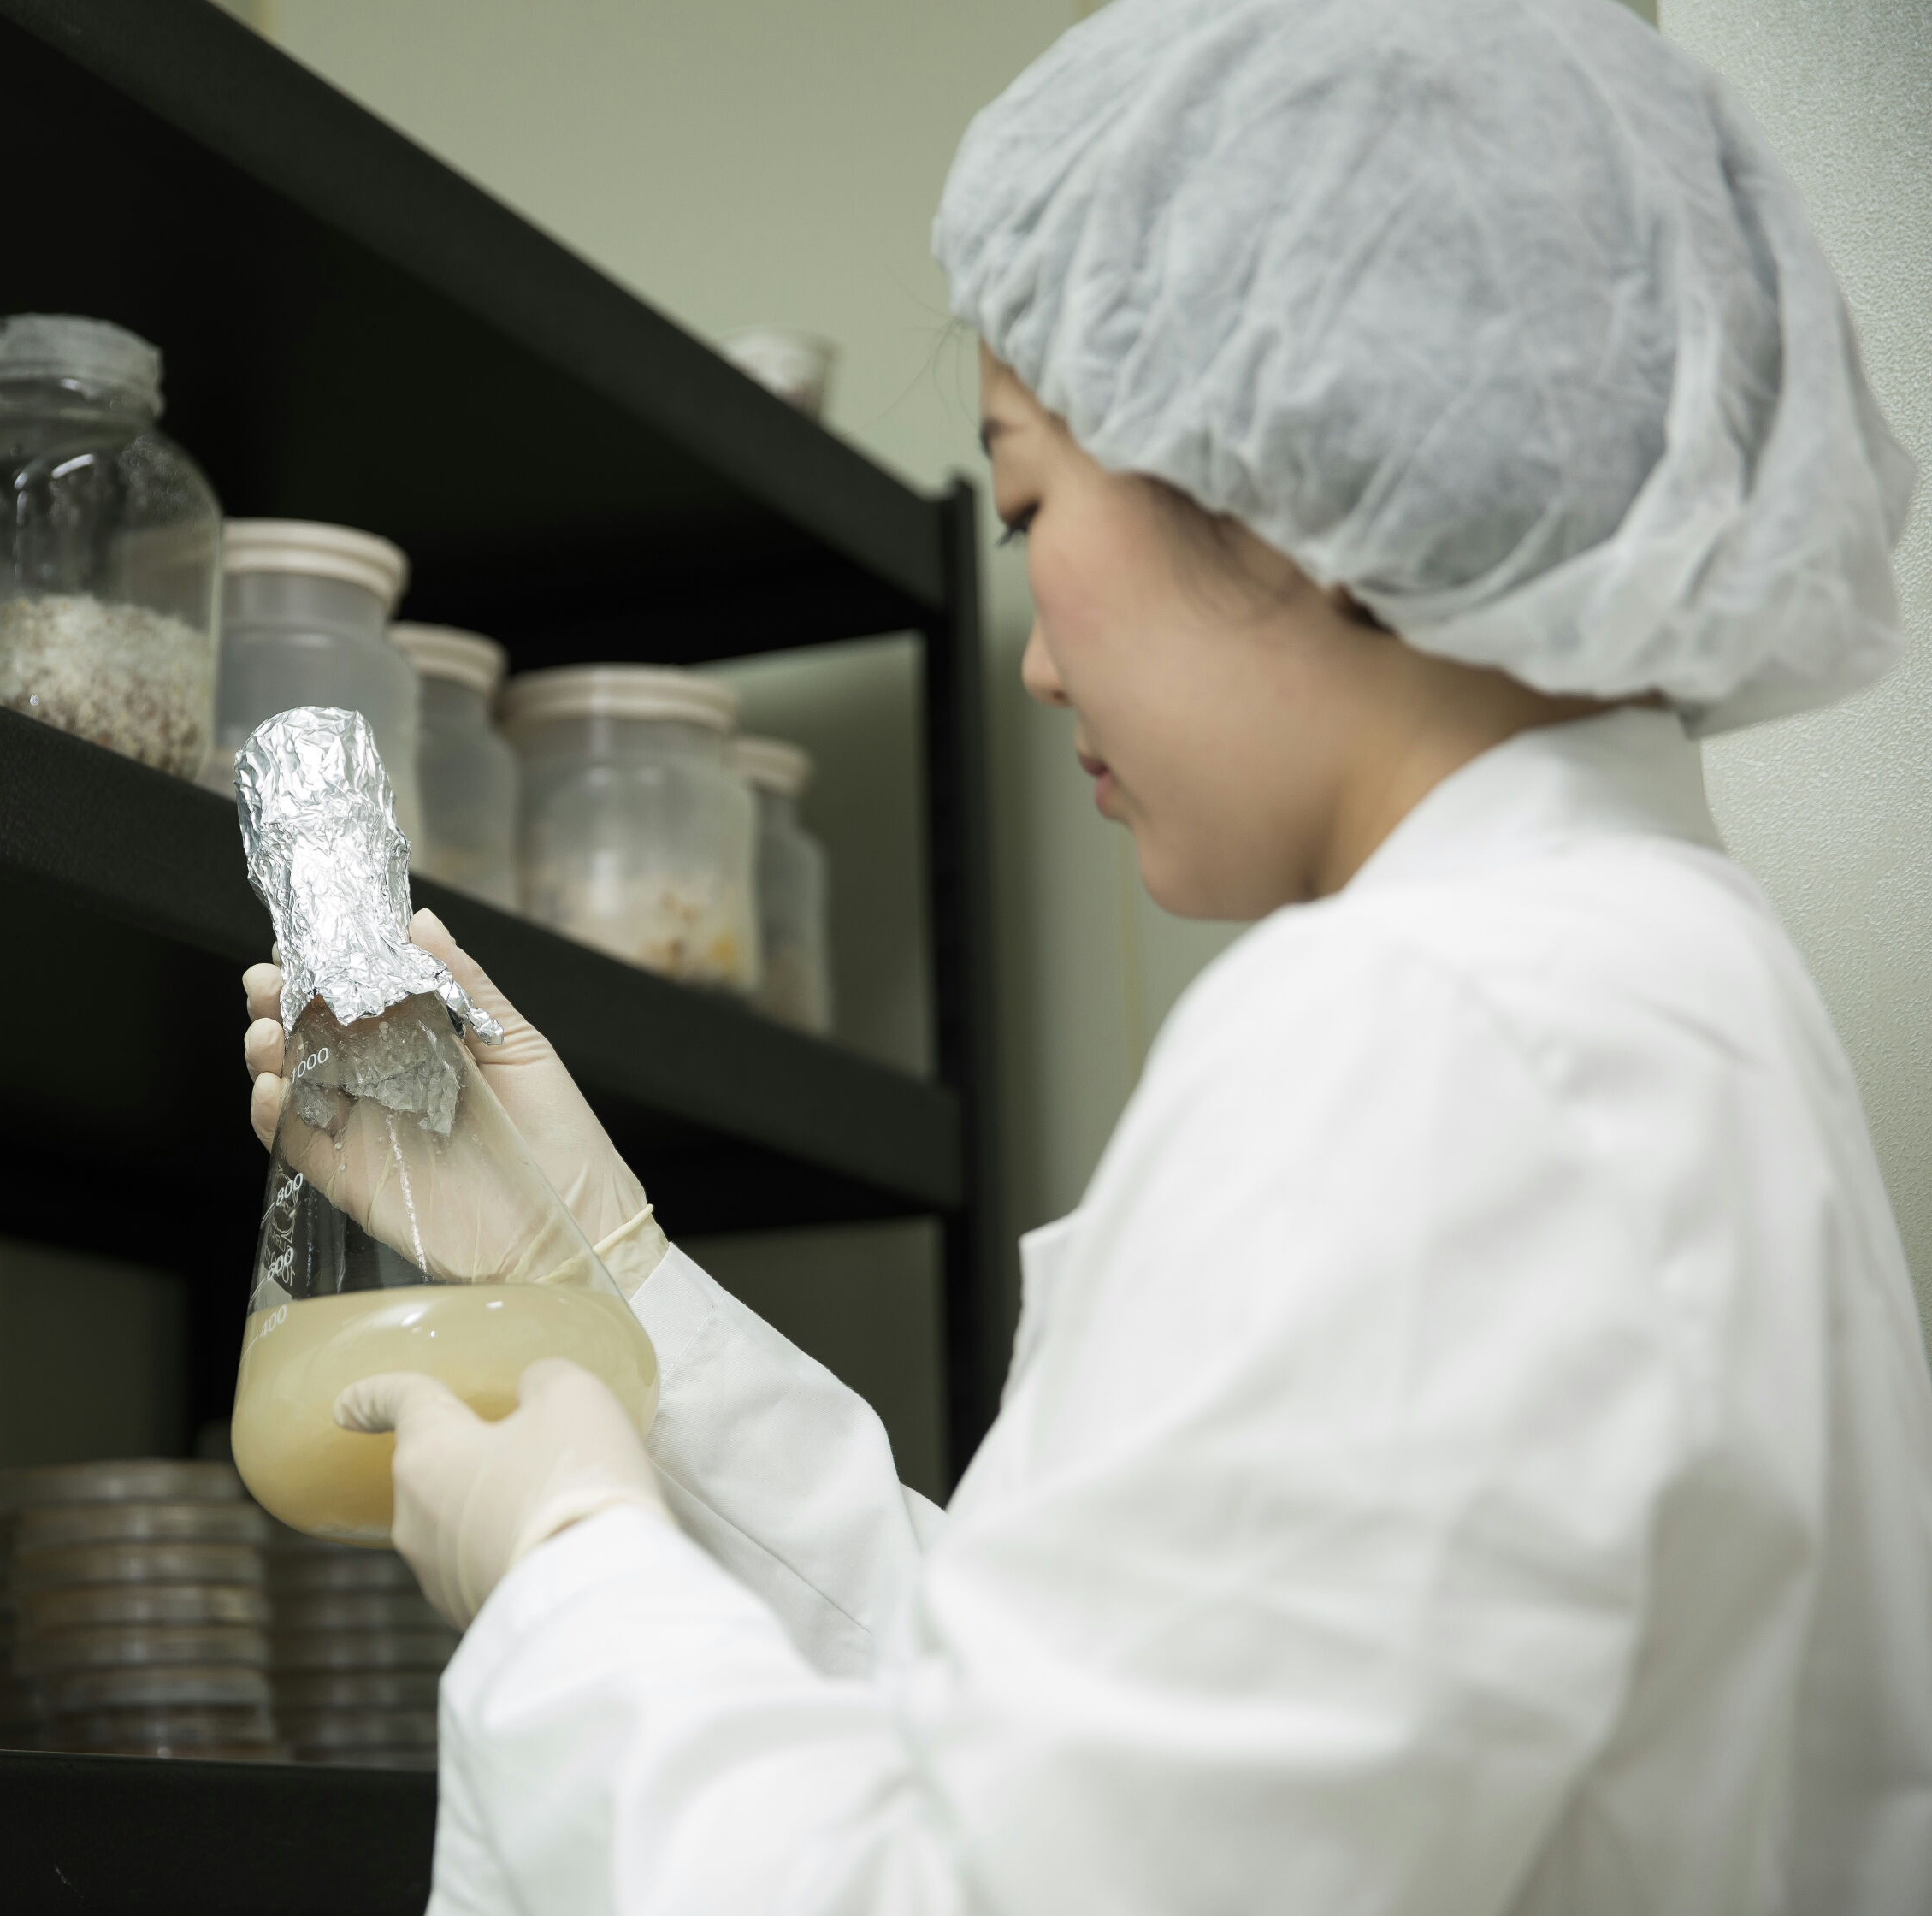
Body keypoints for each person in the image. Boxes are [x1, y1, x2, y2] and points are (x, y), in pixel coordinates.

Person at [238, 1, 1932, 1907]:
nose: (1039, 661)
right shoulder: (1640, 983)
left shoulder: (1435, 1034)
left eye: (1033, 502)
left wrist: (563, 1575)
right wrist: (595, 1269)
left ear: (1296, 474)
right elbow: (1078, 1737)